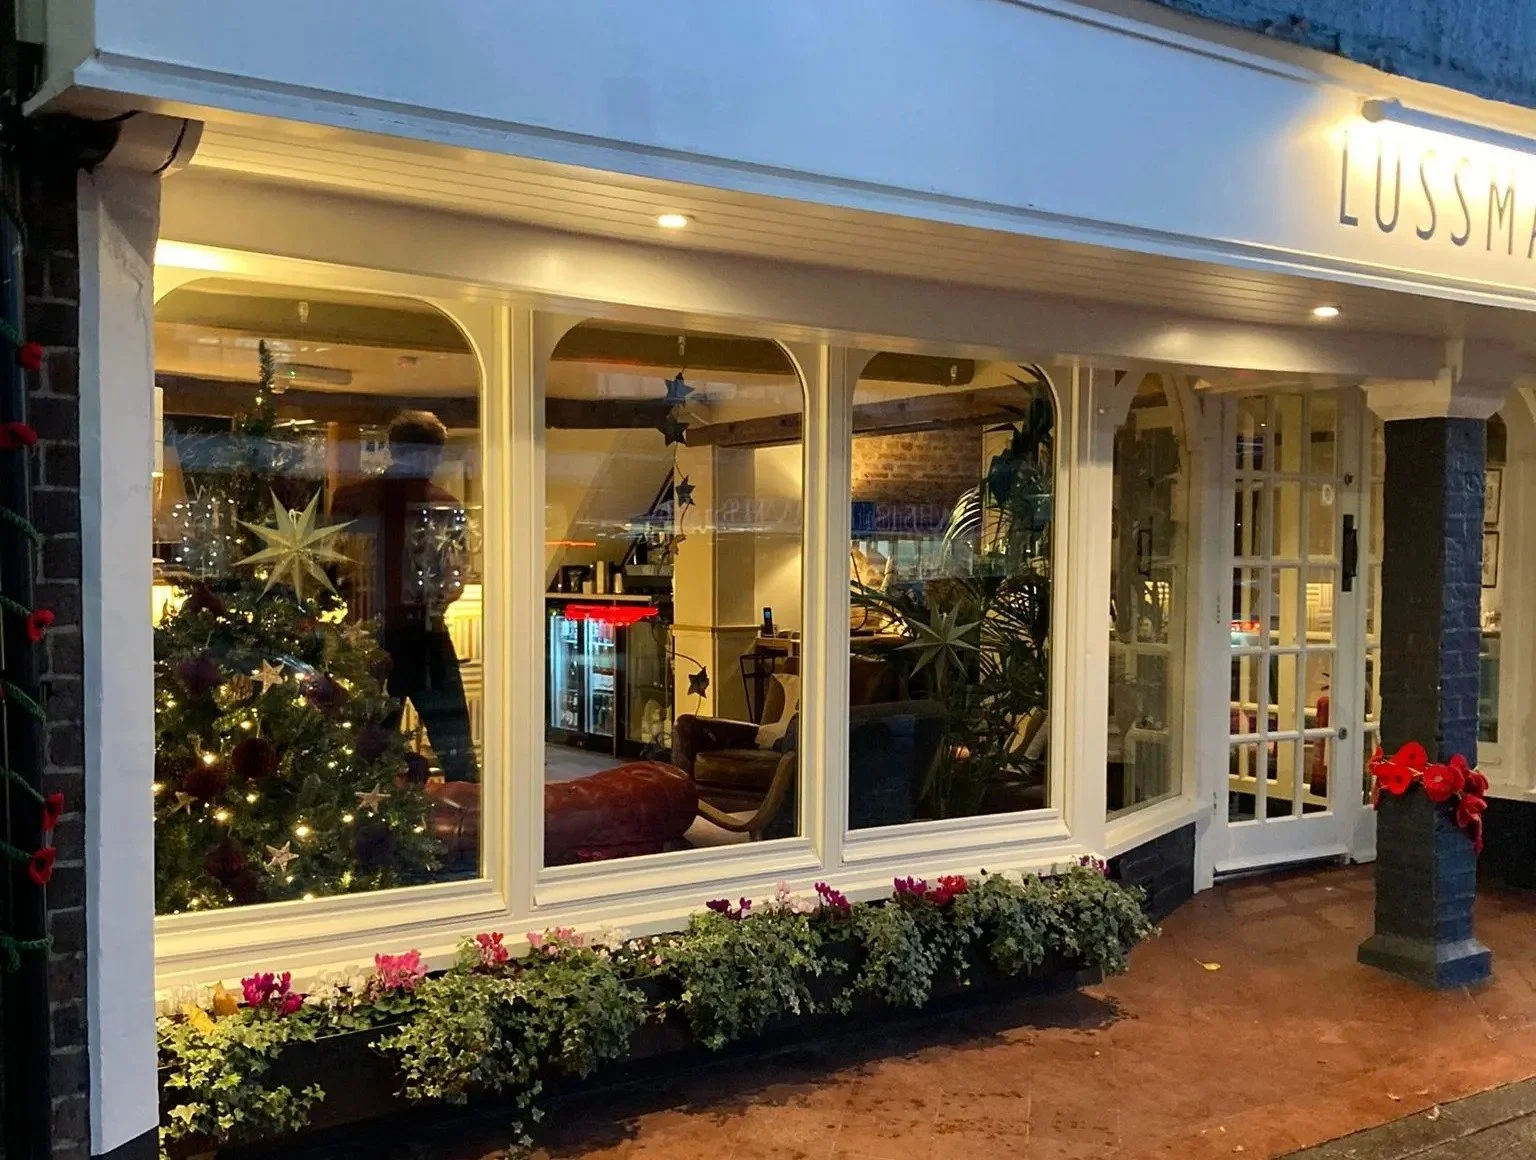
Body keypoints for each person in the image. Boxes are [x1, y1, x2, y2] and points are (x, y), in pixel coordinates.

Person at [331, 410, 479, 782]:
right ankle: (471, 825)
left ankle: (371, 829)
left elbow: (331, 570)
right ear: (437, 454)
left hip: (366, 637)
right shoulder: (444, 504)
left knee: (368, 751)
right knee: (454, 743)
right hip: (425, 637)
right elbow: (454, 578)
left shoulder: (351, 499)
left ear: (391, 448)